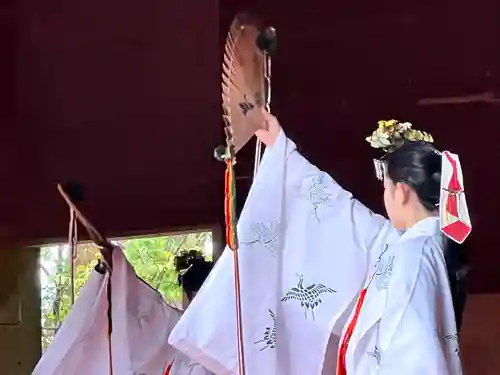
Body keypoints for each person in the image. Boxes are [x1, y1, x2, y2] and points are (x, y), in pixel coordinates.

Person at [169, 112, 471, 375]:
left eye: (387, 189)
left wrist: (284, 157)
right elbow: (348, 215)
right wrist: (282, 151)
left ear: (402, 192)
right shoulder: (422, 244)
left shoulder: (414, 252)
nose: (385, 198)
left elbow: (413, 356)